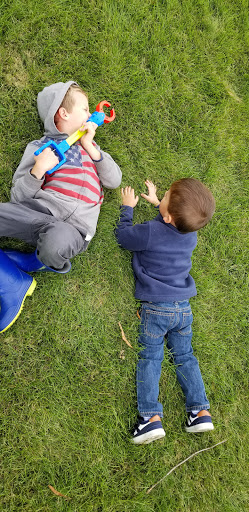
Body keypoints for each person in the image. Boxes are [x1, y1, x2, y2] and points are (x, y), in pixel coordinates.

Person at [0, 81, 122, 332]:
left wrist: (91, 147)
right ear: (63, 113)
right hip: (39, 213)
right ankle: (13, 281)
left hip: (74, 230)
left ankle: (34, 262)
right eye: (86, 109)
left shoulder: (93, 149)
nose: (90, 115)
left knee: (55, 245)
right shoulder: (39, 148)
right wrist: (38, 170)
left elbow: (114, 180)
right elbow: (18, 197)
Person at [115, 178, 215, 444]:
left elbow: (124, 238)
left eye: (167, 195)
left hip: (157, 308)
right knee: (185, 356)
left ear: (170, 216)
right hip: (183, 308)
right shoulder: (190, 233)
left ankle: (150, 419)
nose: (164, 194)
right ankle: (200, 411)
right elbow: (174, 222)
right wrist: (159, 203)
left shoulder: (149, 231)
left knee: (151, 357)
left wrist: (128, 209)